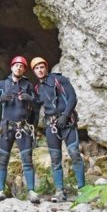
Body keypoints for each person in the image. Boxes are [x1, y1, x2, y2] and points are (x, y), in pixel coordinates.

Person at [30, 57, 85, 202]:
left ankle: (83, 190)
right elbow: (36, 112)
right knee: (55, 159)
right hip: (51, 126)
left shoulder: (59, 80)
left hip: (67, 123)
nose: (40, 70)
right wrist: (33, 130)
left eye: (42, 67)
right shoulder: (37, 89)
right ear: (34, 71)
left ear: (46, 68)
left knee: (75, 154)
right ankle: (60, 191)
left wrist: (66, 115)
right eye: (36, 68)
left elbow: (72, 97)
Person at [0, 56, 40, 204]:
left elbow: (38, 102)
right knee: (3, 160)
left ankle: (31, 191)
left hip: (23, 128)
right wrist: (0, 99)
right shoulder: (2, 84)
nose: (18, 68)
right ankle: (0, 191)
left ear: (24, 70)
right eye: (16, 65)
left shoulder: (28, 85)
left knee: (27, 161)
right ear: (11, 67)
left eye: (21, 66)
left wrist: (29, 98)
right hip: (7, 128)